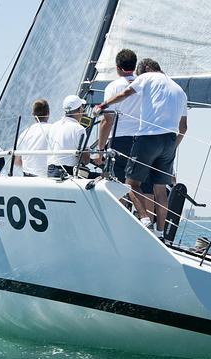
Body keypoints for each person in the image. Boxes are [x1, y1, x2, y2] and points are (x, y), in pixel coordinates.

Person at [93, 58, 188, 238]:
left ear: (145, 70)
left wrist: (103, 105)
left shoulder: (147, 77)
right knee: (159, 188)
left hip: (148, 137)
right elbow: (184, 127)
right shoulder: (179, 89)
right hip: (169, 141)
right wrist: (170, 148)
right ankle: (160, 234)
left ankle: (144, 220)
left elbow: (126, 93)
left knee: (131, 183)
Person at [96, 49, 141, 184]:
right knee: (140, 184)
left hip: (120, 140)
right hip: (143, 139)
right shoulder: (143, 85)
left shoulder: (113, 87)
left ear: (117, 68)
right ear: (134, 66)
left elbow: (107, 121)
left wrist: (100, 150)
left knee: (117, 183)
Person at [47, 95, 89, 178]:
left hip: (51, 171)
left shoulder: (54, 126)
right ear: (79, 110)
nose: (83, 110)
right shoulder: (79, 128)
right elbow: (86, 160)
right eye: (82, 107)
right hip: (68, 173)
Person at [14, 99, 51, 177]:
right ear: (48, 113)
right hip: (46, 178)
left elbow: (17, 161)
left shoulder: (24, 133)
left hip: (28, 178)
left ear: (33, 114)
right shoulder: (54, 129)